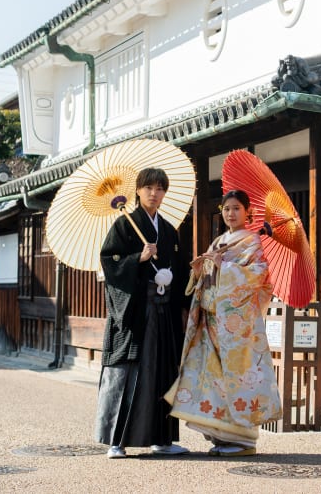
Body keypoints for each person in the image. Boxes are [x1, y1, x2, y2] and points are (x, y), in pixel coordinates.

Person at [166, 189, 282, 456]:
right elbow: (207, 276)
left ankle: (243, 441)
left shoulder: (253, 242)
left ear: (248, 211)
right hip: (211, 320)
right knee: (213, 376)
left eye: (236, 208)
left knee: (237, 376)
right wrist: (200, 271)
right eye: (226, 208)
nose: (231, 213)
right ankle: (222, 435)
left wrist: (225, 268)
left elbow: (259, 276)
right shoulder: (219, 240)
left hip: (237, 326)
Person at [95, 167, 191, 459]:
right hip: (136, 311)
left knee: (163, 371)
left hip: (164, 312)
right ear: (137, 191)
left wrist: (179, 276)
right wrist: (139, 257)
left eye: (160, 188)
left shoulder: (170, 231)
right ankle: (116, 441)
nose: (154, 193)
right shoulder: (124, 225)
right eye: (149, 188)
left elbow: (180, 266)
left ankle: (162, 439)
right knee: (128, 374)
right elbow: (109, 261)